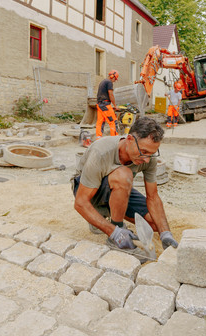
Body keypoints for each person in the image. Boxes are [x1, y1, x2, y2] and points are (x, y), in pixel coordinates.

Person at [72, 116, 179, 251]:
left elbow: (153, 197)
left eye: (151, 154)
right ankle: (116, 227)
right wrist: (115, 233)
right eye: (144, 152)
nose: (146, 159)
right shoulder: (101, 152)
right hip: (90, 191)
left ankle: (106, 217)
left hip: (119, 188)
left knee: (154, 223)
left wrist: (165, 233)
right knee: (124, 174)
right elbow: (80, 202)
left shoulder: (148, 158)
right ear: (129, 140)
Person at [95, 69, 119, 138]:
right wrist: (115, 105)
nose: (114, 81)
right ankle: (115, 139)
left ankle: (98, 139)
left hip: (99, 105)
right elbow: (111, 94)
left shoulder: (103, 82)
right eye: (115, 79)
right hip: (105, 105)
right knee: (113, 122)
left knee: (100, 122)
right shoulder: (109, 82)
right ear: (112, 76)